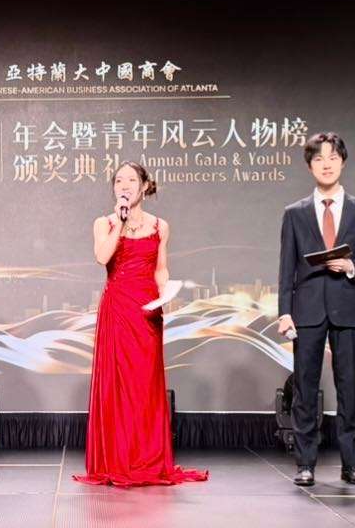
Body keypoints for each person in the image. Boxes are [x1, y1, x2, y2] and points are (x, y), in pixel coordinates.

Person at [74, 161, 208, 487]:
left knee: (144, 386)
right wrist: (119, 224)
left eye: (131, 180)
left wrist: (165, 292)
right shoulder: (105, 223)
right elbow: (102, 257)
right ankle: (118, 459)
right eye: (119, 180)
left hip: (148, 311)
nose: (124, 185)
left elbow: (160, 267)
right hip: (118, 310)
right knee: (119, 385)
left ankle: (147, 456)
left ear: (145, 186)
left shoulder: (160, 226)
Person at [277, 132, 355, 487]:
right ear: (310, 166)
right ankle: (305, 464)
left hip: (347, 308)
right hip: (306, 310)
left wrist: (352, 266)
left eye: (333, 157)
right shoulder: (294, 213)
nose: (326, 164)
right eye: (319, 159)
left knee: (349, 388)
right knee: (305, 389)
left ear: (343, 162)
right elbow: (286, 267)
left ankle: (351, 464)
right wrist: (284, 311)